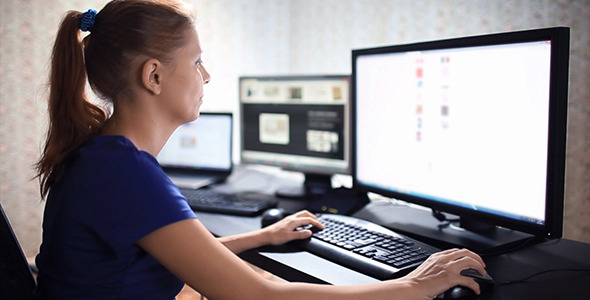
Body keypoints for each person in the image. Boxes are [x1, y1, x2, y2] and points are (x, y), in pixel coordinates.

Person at [34, 0, 487, 299]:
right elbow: (259, 296)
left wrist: (262, 236)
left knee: (268, 272)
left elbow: (177, 252)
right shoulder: (127, 174)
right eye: (196, 61)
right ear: (153, 76)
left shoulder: (104, 157)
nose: (206, 76)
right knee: (270, 282)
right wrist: (412, 286)